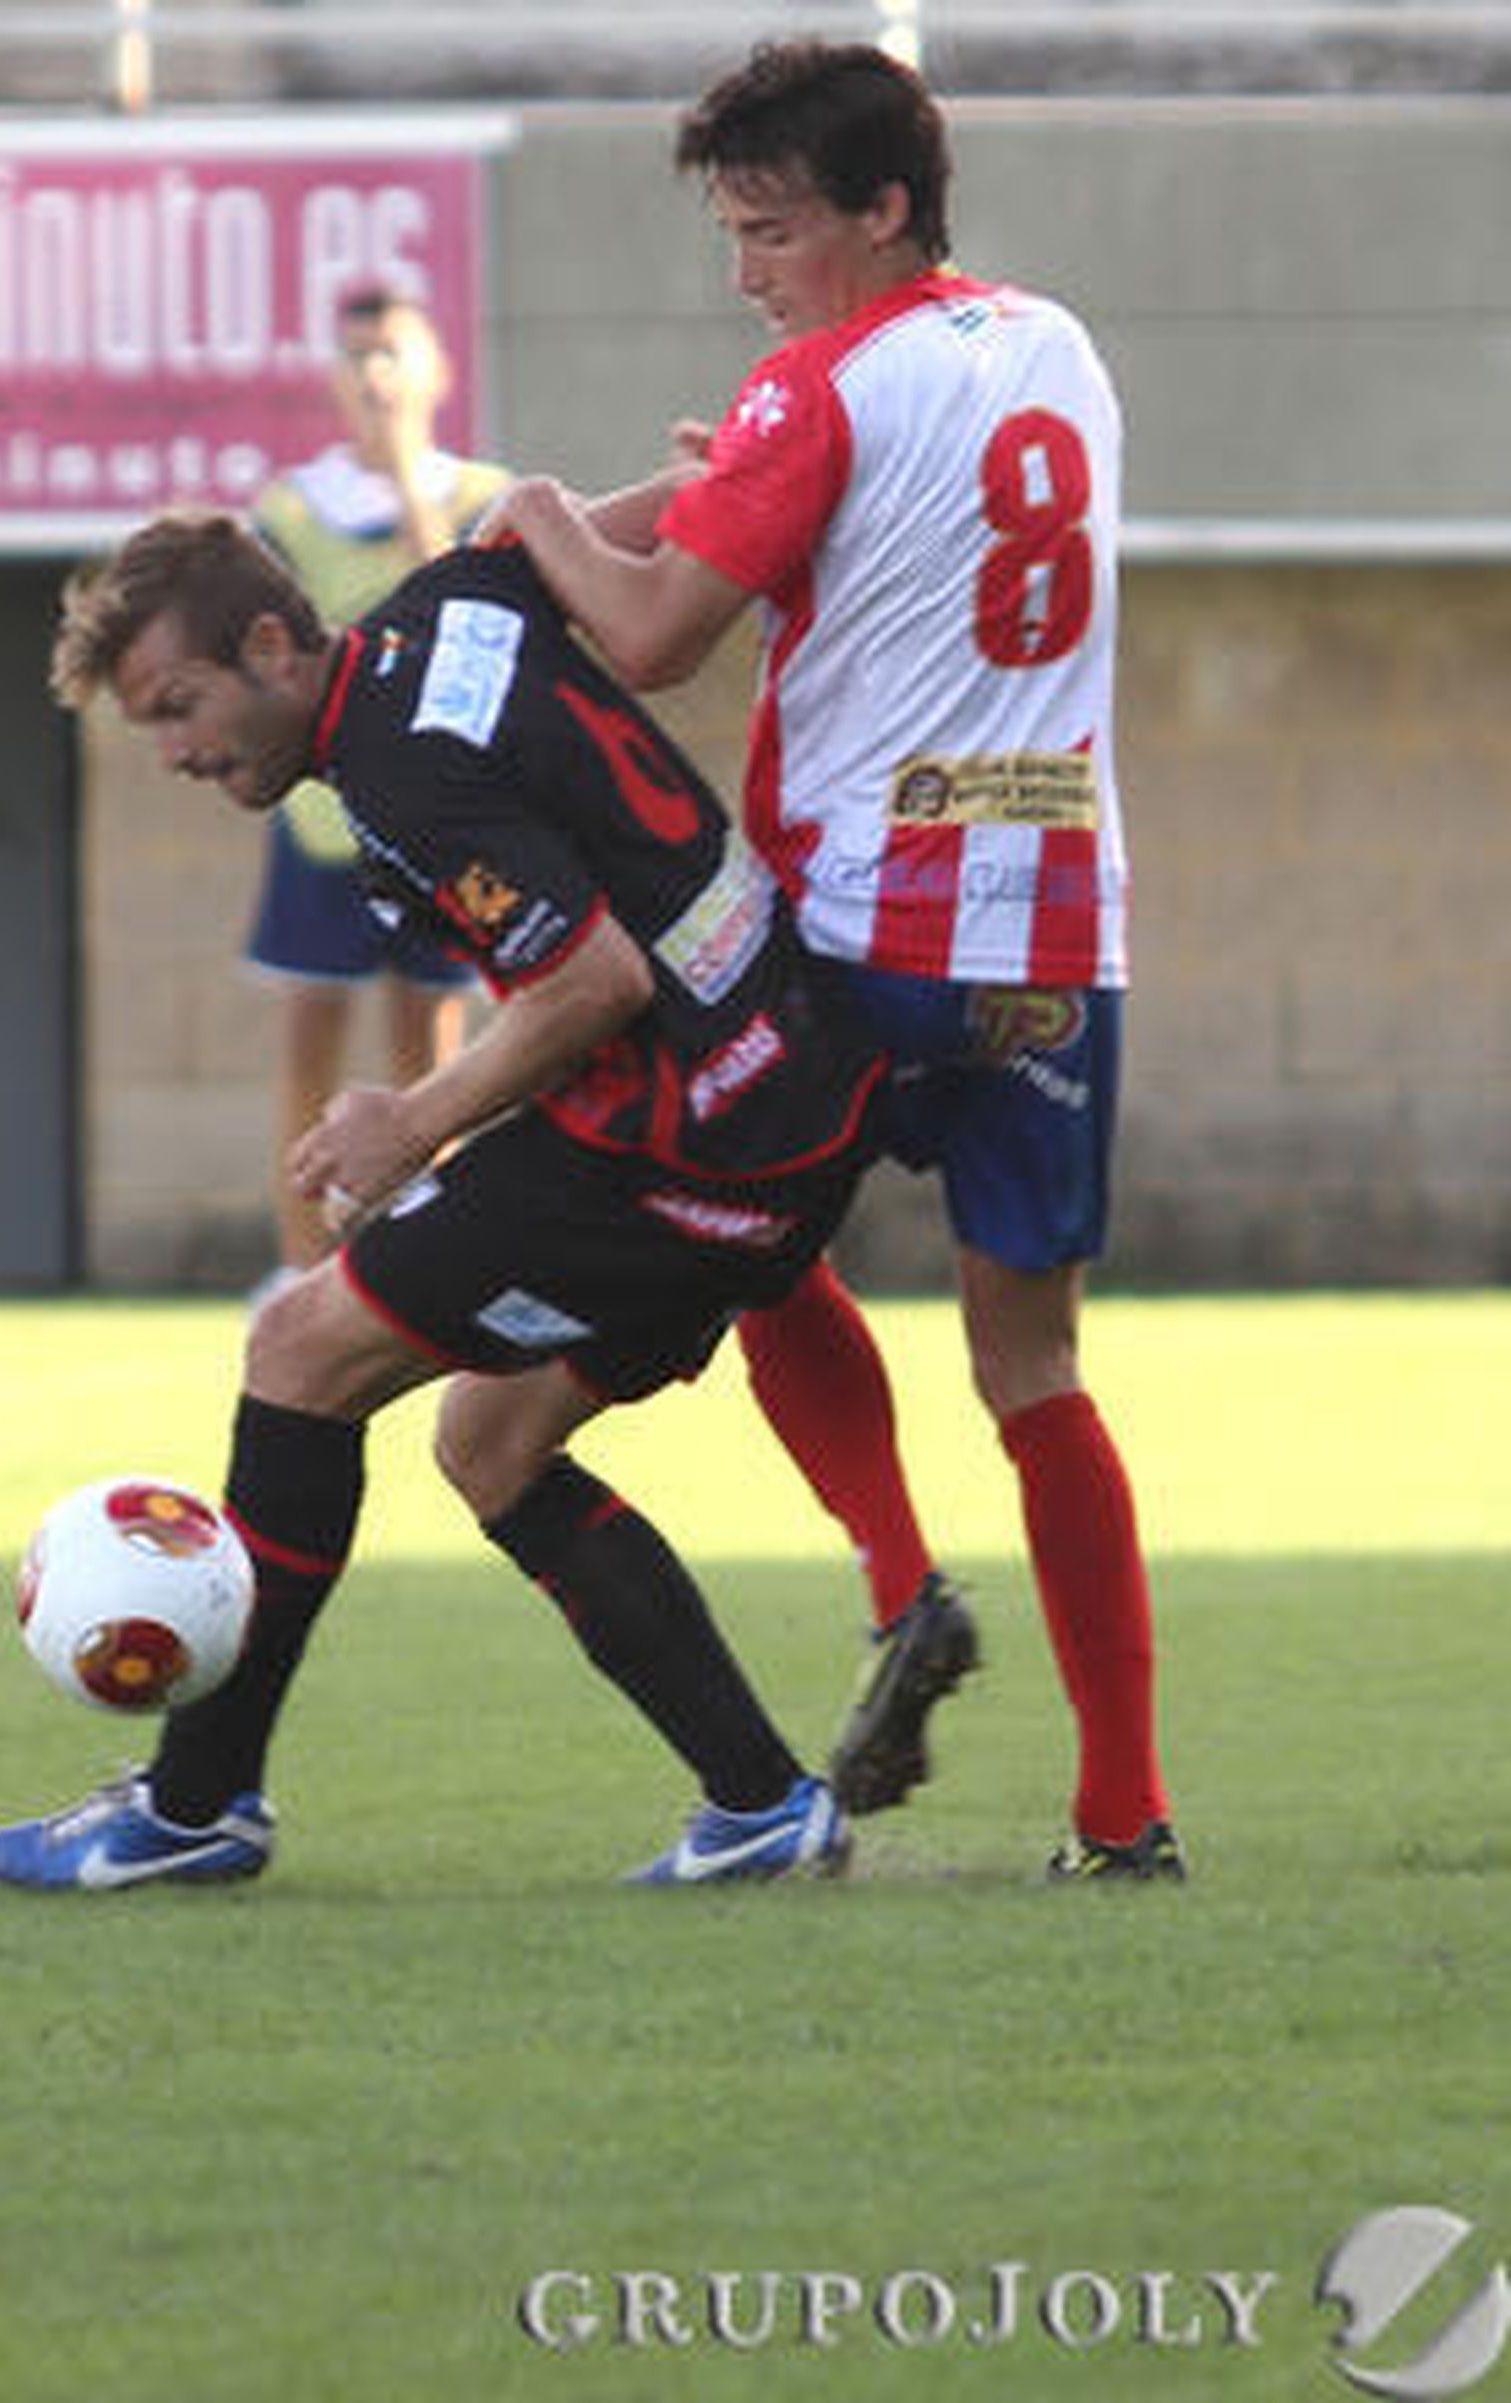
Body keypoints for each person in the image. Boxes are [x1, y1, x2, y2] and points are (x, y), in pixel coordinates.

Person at [485, 38, 1183, 1881]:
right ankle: (1126, 1819)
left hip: (860, 927)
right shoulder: (1058, 348)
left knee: (751, 1240)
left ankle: (895, 1577)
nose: (749, 272)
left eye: (775, 228)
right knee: (1036, 1369)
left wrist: (544, 506)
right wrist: (761, 486)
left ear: (885, 208)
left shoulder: (821, 386)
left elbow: (644, 636)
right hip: (1054, 929)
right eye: (733, 233)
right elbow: (926, 543)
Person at [0, 512, 886, 1893]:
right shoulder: (448, 599)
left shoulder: (395, 767)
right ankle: (762, 1803)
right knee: (494, 1442)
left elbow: (595, 984)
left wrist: (410, 1117)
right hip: (783, 1101)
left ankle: (192, 1806)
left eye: (183, 705)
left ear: (275, 646)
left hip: (678, 1143)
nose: (174, 750)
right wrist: (707, 491)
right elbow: (565, 538)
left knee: (299, 1354)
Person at [245, 281, 511, 1273]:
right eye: (356, 355)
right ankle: (299, 1264)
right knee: (309, 1035)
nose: (373, 374)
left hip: (439, 821)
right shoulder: (290, 508)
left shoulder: (480, 494)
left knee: (430, 1042)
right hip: (323, 826)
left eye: (392, 351)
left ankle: (428, 1256)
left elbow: (466, 608)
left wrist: (406, 471)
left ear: (436, 368)